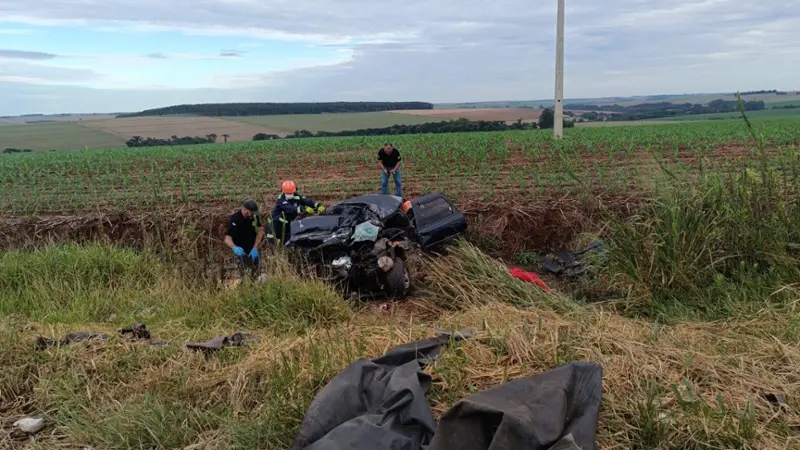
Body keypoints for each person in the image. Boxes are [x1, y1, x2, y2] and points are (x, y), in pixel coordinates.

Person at [266, 180, 325, 245]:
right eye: (287, 193)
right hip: (275, 224)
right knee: (274, 242)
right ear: (283, 191)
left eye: (290, 193)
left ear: (294, 190)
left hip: (287, 223)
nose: (289, 195)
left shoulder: (297, 197)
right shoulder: (281, 199)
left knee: (287, 241)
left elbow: (307, 201)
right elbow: (289, 209)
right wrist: (303, 208)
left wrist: (317, 205)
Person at [224, 199, 264, 280]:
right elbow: (227, 239)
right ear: (245, 210)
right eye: (251, 212)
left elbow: (260, 231)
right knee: (245, 275)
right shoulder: (235, 219)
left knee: (257, 272)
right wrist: (235, 248)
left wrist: (255, 248)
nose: (252, 215)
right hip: (242, 253)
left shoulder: (254, 217)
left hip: (253, 250)